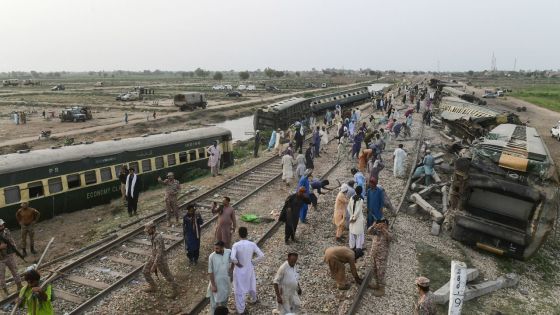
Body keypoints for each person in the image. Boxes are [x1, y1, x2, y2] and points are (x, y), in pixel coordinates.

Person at [231, 227, 265, 314]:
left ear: (239, 234)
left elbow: (232, 258)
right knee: (251, 284)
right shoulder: (252, 244)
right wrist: (253, 262)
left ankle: (241, 310)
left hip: (239, 270)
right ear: (247, 234)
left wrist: (237, 263)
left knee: (239, 290)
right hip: (249, 268)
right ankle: (254, 299)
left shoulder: (236, 245)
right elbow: (262, 256)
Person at [142, 221, 178, 296]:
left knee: (168, 276)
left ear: (153, 229)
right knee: (145, 271)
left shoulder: (158, 237)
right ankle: (153, 287)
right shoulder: (152, 236)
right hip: (153, 257)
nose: (147, 232)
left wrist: (154, 266)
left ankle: (175, 291)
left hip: (160, 260)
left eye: (148, 230)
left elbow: (160, 253)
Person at [367, 219, 391, 297]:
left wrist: (384, 230)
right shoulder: (376, 232)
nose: (381, 226)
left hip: (381, 258)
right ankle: (377, 285)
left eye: (383, 224)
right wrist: (373, 226)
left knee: (381, 273)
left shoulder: (387, 233)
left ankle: (382, 290)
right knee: (374, 271)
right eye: (380, 224)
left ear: (386, 225)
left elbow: (391, 238)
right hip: (374, 255)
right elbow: (368, 232)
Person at [207, 241, 232, 315]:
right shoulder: (212, 256)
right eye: (214, 248)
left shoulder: (228, 252)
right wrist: (213, 285)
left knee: (225, 299)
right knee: (214, 303)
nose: (215, 250)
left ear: (222, 247)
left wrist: (232, 269)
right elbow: (210, 272)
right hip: (216, 282)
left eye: (217, 248)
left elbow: (233, 260)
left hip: (226, 281)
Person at [0, 219, 22, 296]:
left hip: (9, 255)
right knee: (1, 276)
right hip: (0, 259)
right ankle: (6, 292)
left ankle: (19, 286)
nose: (2, 226)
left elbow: (11, 241)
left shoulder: (6, 231)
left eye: (2, 225)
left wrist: (15, 250)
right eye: (0, 225)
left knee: (15, 271)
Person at [348, 186, 365, 254]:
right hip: (358, 219)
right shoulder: (360, 200)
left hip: (352, 217)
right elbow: (358, 211)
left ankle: (352, 246)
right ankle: (358, 248)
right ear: (361, 191)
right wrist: (355, 217)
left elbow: (348, 208)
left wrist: (352, 216)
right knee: (359, 234)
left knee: (351, 232)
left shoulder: (351, 198)